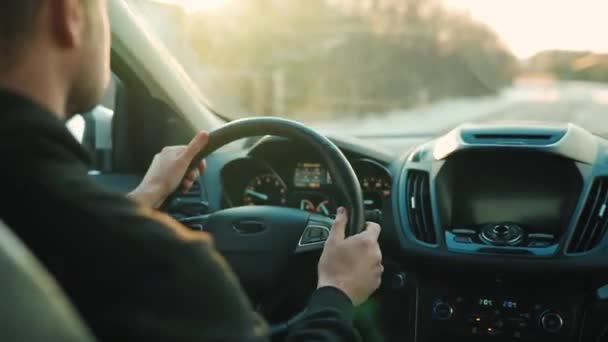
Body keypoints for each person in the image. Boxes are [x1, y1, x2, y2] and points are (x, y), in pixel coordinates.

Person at [0, 1, 384, 341]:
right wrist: (337, 290)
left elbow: (56, 237)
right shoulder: (163, 271)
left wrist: (143, 198)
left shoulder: (47, 226)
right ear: (67, 14)